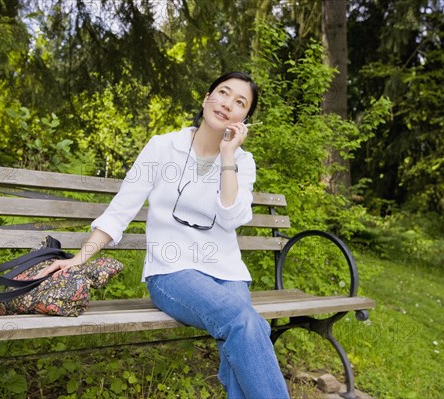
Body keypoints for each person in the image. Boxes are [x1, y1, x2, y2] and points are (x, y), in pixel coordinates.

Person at [41, 72, 291, 399]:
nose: (228, 104)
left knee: (245, 330)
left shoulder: (243, 161)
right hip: (172, 273)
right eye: (223, 93)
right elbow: (121, 210)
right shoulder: (162, 147)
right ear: (206, 98)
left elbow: (231, 218)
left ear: (245, 119)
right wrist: (79, 258)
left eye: (240, 102)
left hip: (228, 274)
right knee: (246, 323)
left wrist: (228, 156)